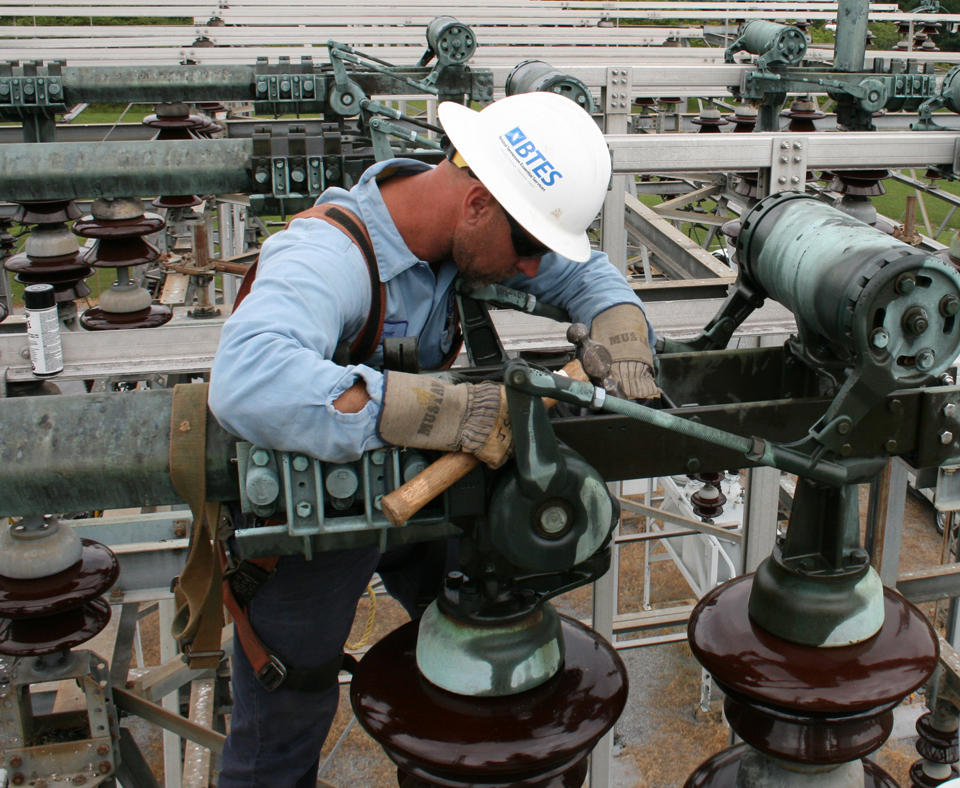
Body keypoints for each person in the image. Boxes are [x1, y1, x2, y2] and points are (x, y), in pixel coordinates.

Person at [208, 91, 658, 787]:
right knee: (286, 713)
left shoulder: (464, 227)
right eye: (530, 246)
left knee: (490, 625)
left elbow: (586, 274)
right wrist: (435, 411)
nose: (535, 271)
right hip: (319, 520)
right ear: (477, 203)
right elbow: (246, 379)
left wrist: (622, 327)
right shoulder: (328, 255)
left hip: (423, 498)